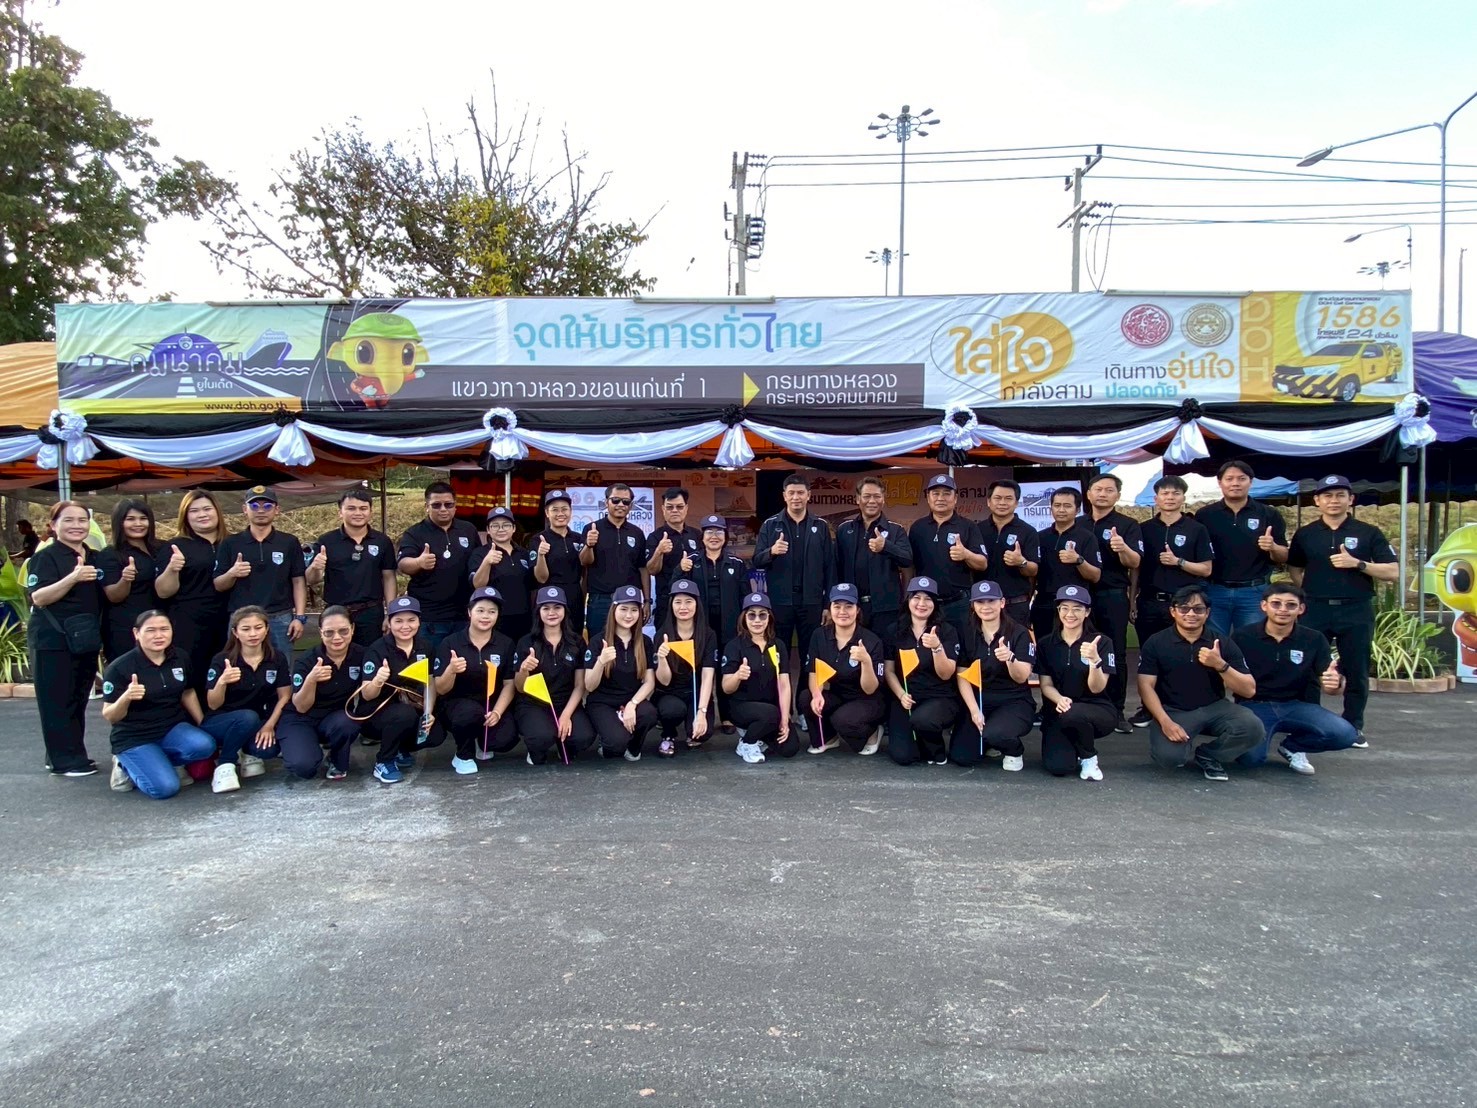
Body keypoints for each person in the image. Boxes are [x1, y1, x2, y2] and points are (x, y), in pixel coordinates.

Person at [1287, 474, 1398, 745]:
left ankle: (1352, 726)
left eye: (1340, 495)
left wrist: (1358, 564)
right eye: (1327, 496)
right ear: (1317, 500)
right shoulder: (1306, 534)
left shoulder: (1368, 532)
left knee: (1356, 669)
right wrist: (1311, 590)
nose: (1333, 501)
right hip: (1315, 609)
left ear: (1351, 499)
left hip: (1355, 609)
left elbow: (1392, 571)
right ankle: (1308, 723)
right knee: (1308, 668)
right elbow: (1295, 567)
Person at [1135, 584, 1263, 781]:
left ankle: (1210, 754)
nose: (1191, 614)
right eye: (1184, 608)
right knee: (1169, 759)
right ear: (1173, 611)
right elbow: (1145, 686)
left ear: (1207, 613)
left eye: (1198, 609)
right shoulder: (1156, 642)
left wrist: (1220, 665)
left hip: (1215, 706)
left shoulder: (1221, 642)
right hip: (1174, 710)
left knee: (1253, 727)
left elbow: (1248, 689)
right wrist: (1165, 722)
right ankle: (1181, 745)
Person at [1231, 583, 1358, 775]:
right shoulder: (1242, 636)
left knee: (1346, 735)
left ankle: (1293, 747)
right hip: (1255, 705)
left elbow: (1332, 686)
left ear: (1301, 609)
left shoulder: (1314, 639)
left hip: (1299, 706)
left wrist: (1335, 684)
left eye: (1291, 605)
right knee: (1250, 759)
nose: (1283, 610)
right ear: (1264, 606)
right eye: (1276, 604)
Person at [26, 500, 106, 777]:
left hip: (84, 639)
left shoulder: (95, 556)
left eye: (82, 520)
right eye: (68, 520)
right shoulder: (45, 557)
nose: (76, 526)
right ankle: (64, 761)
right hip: (52, 640)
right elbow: (39, 597)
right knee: (56, 701)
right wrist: (73, 578)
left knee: (77, 698)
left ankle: (72, 754)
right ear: (53, 525)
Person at [101, 610, 216, 799]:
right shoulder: (120, 668)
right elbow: (110, 715)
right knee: (166, 788)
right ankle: (124, 765)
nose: (159, 635)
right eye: (151, 630)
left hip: (171, 728)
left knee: (205, 745)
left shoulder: (179, 657)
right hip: (135, 736)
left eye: (164, 629)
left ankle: (158, 761)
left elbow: (187, 692)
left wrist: (202, 723)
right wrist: (126, 697)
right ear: (136, 633)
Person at [753, 474, 836, 721]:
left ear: (809, 495)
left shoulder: (820, 526)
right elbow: (757, 560)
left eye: (801, 492)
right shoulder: (771, 525)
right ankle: (781, 708)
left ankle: (804, 708)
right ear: (784, 496)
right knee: (779, 656)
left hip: (812, 603)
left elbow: (830, 568)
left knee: (810, 657)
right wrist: (771, 551)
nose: (796, 497)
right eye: (791, 493)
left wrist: (828, 605)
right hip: (780, 602)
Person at [1131, 475, 1213, 727]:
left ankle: (1182, 706)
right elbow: (1135, 568)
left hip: (1184, 606)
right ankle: (1148, 708)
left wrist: (1179, 562)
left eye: (1175, 493)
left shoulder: (1196, 529)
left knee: (1184, 655)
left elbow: (1206, 569)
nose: (1170, 498)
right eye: (1165, 493)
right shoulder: (1144, 529)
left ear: (1182, 498)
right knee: (1149, 655)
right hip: (1150, 601)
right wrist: (1132, 599)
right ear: (1156, 498)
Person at [201, 605, 291, 793]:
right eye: (246, 629)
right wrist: (222, 682)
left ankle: (246, 750)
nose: (253, 634)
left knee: (268, 749)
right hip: (223, 721)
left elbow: (285, 696)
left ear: (266, 629)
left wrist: (269, 726)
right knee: (247, 717)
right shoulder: (223, 659)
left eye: (258, 627)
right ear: (235, 632)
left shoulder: (276, 658)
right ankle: (225, 764)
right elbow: (213, 704)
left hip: (258, 721)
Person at [356, 596, 445, 783]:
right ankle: (384, 761)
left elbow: (430, 683)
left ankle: (399, 749)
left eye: (411, 620)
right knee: (404, 714)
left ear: (419, 621)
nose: (405, 626)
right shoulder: (377, 650)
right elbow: (367, 694)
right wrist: (378, 680)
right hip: (375, 714)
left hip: (410, 706)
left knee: (436, 733)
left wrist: (428, 713)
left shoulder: (425, 647)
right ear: (389, 623)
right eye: (398, 621)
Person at [213, 486, 306, 662]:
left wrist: (299, 617)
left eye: (267, 506)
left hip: (280, 617)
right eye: (254, 506)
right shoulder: (230, 543)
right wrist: (232, 573)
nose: (261, 510)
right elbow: (218, 584)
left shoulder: (289, 542)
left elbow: (298, 580)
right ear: (244, 509)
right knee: (239, 666)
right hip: (242, 618)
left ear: (277, 510)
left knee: (282, 666)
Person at [951, 580, 1036, 771]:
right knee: (962, 757)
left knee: (997, 734)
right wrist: (974, 710)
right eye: (980, 602)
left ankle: (1014, 750)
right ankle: (989, 740)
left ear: (1002, 603)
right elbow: (962, 674)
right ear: (973, 605)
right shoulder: (967, 632)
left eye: (991, 601)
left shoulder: (1019, 632)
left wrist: (1010, 658)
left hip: (1013, 700)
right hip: (981, 699)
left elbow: (1022, 676)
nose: (986, 607)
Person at [432, 587, 518, 774]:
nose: (486, 616)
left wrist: (497, 712)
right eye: (480, 610)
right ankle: (463, 755)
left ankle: (481, 740)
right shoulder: (450, 643)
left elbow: (509, 684)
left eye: (492, 612)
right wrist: (451, 671)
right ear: (470, 612)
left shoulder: (506, 643)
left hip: (491, 704)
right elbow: (440, 688)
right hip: (459, 705)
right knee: (469, 714)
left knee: (505, 739)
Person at [1198, 460, 1289, 635]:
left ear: (1250, 482)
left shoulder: (1269, 514)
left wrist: (1273, 547)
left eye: (1241, 478)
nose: (1235, 483)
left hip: (1254, 592)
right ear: (1220, 482)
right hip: (1215, 590)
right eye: (1229, 479)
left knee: (1252, 641)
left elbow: (1284, 556)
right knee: (1214, 642)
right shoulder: (1205, 515)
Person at [1036, 585, 1116, 781]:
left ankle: (1088, 756)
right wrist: (1059, 699)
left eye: (1077, 609)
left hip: (1096, 708)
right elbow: (1046, 685)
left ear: (1087, 612)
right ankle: (1074, 745)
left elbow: (1097, 688)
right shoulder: (1046, 644)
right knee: (1058, 767)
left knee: (1073, 714)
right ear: (1058, 610)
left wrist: (1095, 661)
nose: (1070, 614)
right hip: (1058, 710)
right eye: (1064, 608)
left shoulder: (1101, 642)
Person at [154, 490, 230, 697]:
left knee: (225, 673)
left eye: (207, 509)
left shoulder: (232, 543)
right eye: (194, 511)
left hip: (227, 619)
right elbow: (163, 591)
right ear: (185, 516)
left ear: (217, 511)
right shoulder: (175, 547)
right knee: (193, 676)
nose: (202, 514)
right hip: (189, 623)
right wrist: (172, 569)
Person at [1083, 472, 1143, 732]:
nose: (1103, 494)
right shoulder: (1078, 523)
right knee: (1081, 651)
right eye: (1098, 489)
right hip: (1081, 598)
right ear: (1088, 494)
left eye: (1109, 490)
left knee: (1115, 652)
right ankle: (1084, 704)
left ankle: (1116, 710)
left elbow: (1135, 562)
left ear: (1118, 495)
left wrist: (1122, 548)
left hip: (1112, 595)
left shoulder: (1127, 524)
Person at [279, 606, 364, 781]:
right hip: (301, 719)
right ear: (320, 632)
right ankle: (299, 746)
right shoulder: (307, 660)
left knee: (349, 722)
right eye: (329, 632)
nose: (337, 637)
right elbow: (301, 707)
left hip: (334, 718)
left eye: (343, 631)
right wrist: (311, 680)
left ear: (352, 629)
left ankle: (335, 758)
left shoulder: (361, 654)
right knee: (304, 768)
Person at [514, 585, 596, 765]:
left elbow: (579, 685)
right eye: (546, 608)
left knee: (583, 737)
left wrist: (566, 715)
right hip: (534, 704)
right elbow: (519, 687)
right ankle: (537, 748)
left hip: (565, 702)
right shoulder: (526, 642)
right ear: (539, 612)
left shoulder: (576, 641)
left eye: (557, 607)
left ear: (565, 611)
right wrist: (524, 669)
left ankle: (563, 743)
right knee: (541, 738)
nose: (552, 613)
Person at [306, 486, 398, 647]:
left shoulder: (382, 541)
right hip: (336, 612)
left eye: (363, 508)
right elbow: (311, 579)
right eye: (351, 508)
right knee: (337, 656)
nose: (358, 513)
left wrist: (391, 613)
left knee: (371, 656)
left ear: (370, 512)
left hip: (371, 613)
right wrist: (315, 567)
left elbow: (389, 577)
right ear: (340, 512)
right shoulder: (326, 541)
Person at [883, 576, 960, 766]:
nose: (921, 604)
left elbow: (946, 673)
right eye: (916, 597)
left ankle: (935, 749)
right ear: (908, 600)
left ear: (935, 603)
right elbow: (889, 670)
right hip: (906, 697)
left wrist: (937, 648)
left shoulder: (947, 631)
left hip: (939, 697)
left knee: (923, 720)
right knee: (903, 756)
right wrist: (901, 694)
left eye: (928, 599)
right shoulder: (894, 630)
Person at [804, 582, 886, 755]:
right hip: (837, 694)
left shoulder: (871, 641)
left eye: (849, 606)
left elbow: (870, 689)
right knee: (807, 698)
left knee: (842, 720)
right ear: (830, 608)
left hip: (866, 699)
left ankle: (872, 732)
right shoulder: (819, 635)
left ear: (857, 610)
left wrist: (866, 661)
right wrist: (817, 695)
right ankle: (829, 738)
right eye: (837, 606)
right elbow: (814, 671)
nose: (842, 611)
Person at [397, 481, 481, 650]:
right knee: (429, 663)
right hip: (430, 617)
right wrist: (419, 562)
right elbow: (403, 564)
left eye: (448, 504)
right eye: (436, 505)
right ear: (426, 507)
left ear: (455, 506)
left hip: (464, 614)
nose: (443, 509)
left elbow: (478, 562)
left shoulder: (468, 530)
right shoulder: (414, 533)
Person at [583, 584, 659, 761]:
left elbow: (649, 682)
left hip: (631, 699)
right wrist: (601, 662)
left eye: (634, 610)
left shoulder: (645, 642)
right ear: (614, 610)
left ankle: (633, 747)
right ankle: (611, 741)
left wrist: (632, 704)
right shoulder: (598, 641)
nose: (628, 615)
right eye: (623, 609)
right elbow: (589, 685)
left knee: (649, 714)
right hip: (603, 703)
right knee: (615, 744)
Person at [722, 592, 798, 763]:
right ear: (744, 618)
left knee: (789, 748)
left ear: (769, 618)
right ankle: (747, 743)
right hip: (741, 707)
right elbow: (726, 687)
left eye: (762, 615)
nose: (757, 620)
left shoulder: (778, 645)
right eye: (752, 615)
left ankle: (759, 735)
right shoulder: (734, 646)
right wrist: (737, 676)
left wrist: (785, 719)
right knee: (770, 714)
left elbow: (784, 684)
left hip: (771, 710)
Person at [835, 476, 913, 642]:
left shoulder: (895, 530)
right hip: (851, 606)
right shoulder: (844, 529)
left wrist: (886, 547)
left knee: (885, 653)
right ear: (858, 499)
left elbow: (907, 559)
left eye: (877, 496)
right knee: (853, 651)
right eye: (867, 496)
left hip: (886, 608)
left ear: (883, 500)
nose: (872, 501)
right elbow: (835, 567)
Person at [907, 473, 987, 633]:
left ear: (955, 498)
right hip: (926, 605)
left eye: (946, 493)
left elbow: (982, 563)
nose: (940, 498)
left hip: (958, 604)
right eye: (935, 493)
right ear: (928, 497)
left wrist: (966, 554)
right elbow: (910, 565)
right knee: (926, 645)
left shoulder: (968, 526)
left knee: (963, 646)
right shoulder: (917, 527)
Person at [652, 578, 720, 756]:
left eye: (688, 601)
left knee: (701, 733)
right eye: (678, 602)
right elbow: (664, 681)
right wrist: (662, 658)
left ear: (697, 604)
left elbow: (708, 676)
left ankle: (693, 726)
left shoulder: (708, 635)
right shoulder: (662, 634)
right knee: (672, 710)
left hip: (696, 693)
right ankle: (668, 735)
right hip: (670, 693)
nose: (683, 607)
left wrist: (702, 712)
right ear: (671, 605)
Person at [1031, 487, 1102, 640]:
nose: (1061, 510)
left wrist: (1078, 560)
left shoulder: (1087, 537)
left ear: (1077, 510)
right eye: (1057, 505)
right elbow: (1032, 575)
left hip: (1074, 604)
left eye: (1067, 506)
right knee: (1043, 647)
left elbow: (1095, 576)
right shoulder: (1039, 537)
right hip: (1044, 604)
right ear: (1050, 508)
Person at [98, 500, 163, 664]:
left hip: (160, 624)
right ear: (119, 522)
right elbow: (114, 596)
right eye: (131, 519)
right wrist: (125, 579)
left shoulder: (162, 548)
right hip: (125, 629)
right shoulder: (110, 554)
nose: (138, 524)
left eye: (143, 518)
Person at [580, 482, 647, 638]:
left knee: (628, 644)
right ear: (606, 502)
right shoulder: (592, 528)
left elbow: (643, 568)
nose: (620, 505)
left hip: (630, 599)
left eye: (626, 502)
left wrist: (647, 600)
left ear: (631, 505)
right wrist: (589, 545)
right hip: (600, 600)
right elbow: (584, 562)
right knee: (598, 643)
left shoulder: (637, 533)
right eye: (615, 500)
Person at [677, 515, 749, 651]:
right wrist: (680, 569)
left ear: (725, 537)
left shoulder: (737, 563)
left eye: (719, 532)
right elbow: (675, 589)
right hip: (700, 621)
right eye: (709, 532)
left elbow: (745, 596)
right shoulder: (691, 561)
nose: (714, 537)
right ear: (702, 537)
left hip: (729, 623)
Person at [469, 507, 534, 645]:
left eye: (506, 525)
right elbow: (477, 584)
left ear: (514, 528)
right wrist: (487, 562)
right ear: (488, 529)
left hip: (524, 618)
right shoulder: (479, 553)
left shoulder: (523, 553)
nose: (501, 529)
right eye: (495, 526)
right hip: (495, 618)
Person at [981, 480, 1041, 630]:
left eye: (1008, 498)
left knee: (1016, 643)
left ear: (1016, 503)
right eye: (997, 498)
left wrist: (1021, 562)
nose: (1002, 502)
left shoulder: (1028, 531)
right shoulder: (977, 529)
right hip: (983, 604)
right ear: (988, 502)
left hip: (1015, 605)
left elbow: (1034, 570)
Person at [529, 489, 586, 635]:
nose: (560, 513)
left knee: (575, 636)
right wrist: (541, 555)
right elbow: (541, 578)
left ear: (570, 511)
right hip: (549, 597)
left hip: (574, 597)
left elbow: (586, 570)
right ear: (547, 513)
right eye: (555, 510)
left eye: (564, 509)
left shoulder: (579, 538)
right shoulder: (537, 539)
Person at [645, 487, 703, 611]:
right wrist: (659, 551)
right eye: (670, 507)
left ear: (686, 508)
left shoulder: (697, 534)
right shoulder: (655, 536)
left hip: (694, 598)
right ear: (663, 509)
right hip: (667, 599)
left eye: (679, 507)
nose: (675, 510)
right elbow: (651, 570)